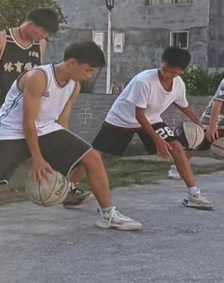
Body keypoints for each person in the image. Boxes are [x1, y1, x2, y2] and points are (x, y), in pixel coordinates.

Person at [0, 42, 141, 232]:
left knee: (92, 157)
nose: (88, 76)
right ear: (72, 63)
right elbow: (28, 122)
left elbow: (62, 122)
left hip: (47, 128)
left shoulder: (74, 86)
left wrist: (62, 157)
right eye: (87, 70)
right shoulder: (38, 78)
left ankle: (107, 214)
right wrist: (38, 158)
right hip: (13, 131)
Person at [0, 8, 92, 209]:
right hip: (3, 103)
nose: (43, 36)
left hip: (30, 101)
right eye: (42, 31)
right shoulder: (0, 40)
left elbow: (39, 73)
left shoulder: (40, 44)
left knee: (46, 143)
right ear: (31, 24)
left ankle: (63, 188)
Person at [91, 47, 214, 210]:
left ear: (181, 71)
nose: (167, 74)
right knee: (94, 155)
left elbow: (181, 103)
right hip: (122, 119)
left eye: (173, 72)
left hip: (152, 119)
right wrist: (158, 140)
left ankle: (194, 194)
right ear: (161, 63)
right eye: (165, 69)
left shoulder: (178, 84)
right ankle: (71, 188)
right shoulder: (144, 81)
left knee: (176, 147)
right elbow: (139, 115)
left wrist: (198, 122)